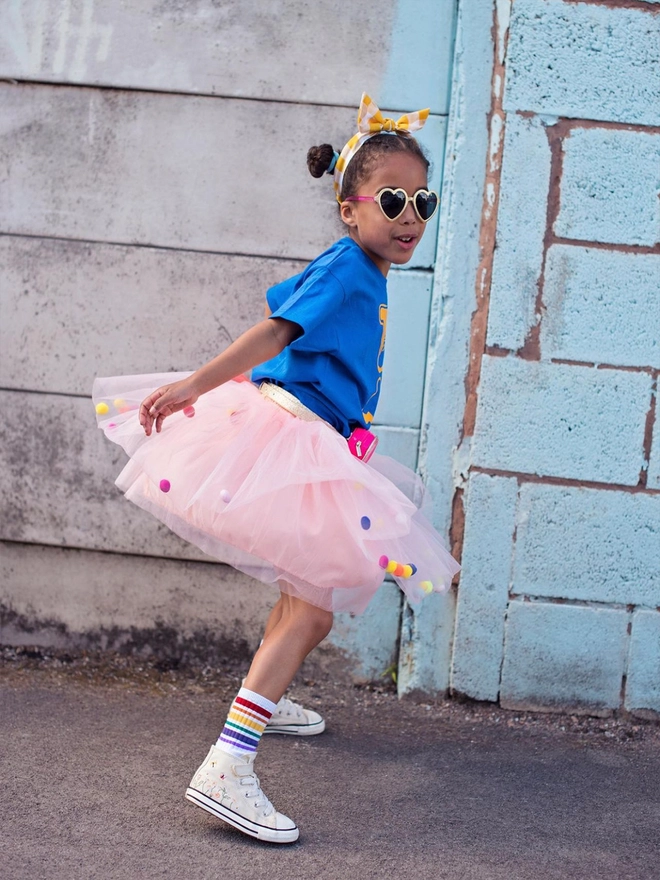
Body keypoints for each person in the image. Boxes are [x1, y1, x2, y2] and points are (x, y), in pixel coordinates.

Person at [93, 93, 460, 844]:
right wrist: (196, 385)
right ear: (351, 208)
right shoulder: (349, 270)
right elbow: (275, 330)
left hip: (317, 437)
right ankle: (228, 765)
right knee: (316, 606)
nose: (410, 215)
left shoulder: (365, 270)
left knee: (304, 589)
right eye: (393, 199)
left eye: (423, 200)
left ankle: (269, 688)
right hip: (294, 436)